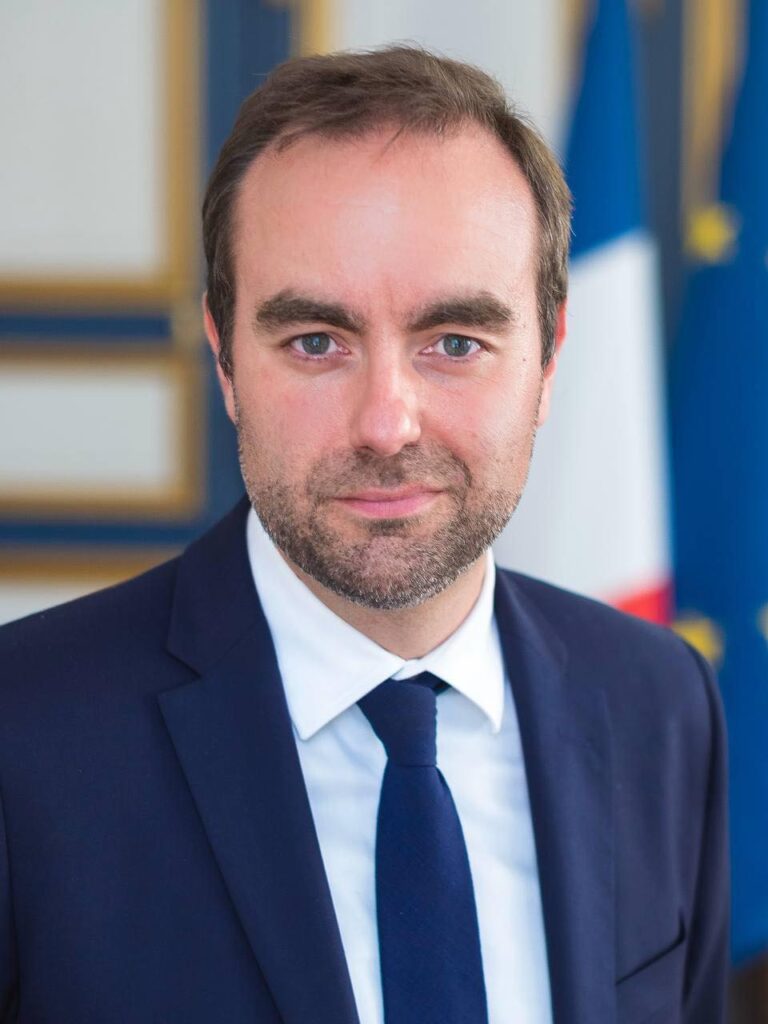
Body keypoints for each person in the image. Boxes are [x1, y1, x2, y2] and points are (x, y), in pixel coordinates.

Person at [0, 46, 727, 1023]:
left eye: (455, 343)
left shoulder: (661, 701)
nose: (388, 424)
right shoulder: (23, 735)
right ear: (225, 358)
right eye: (316, 343)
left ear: (549, 359)